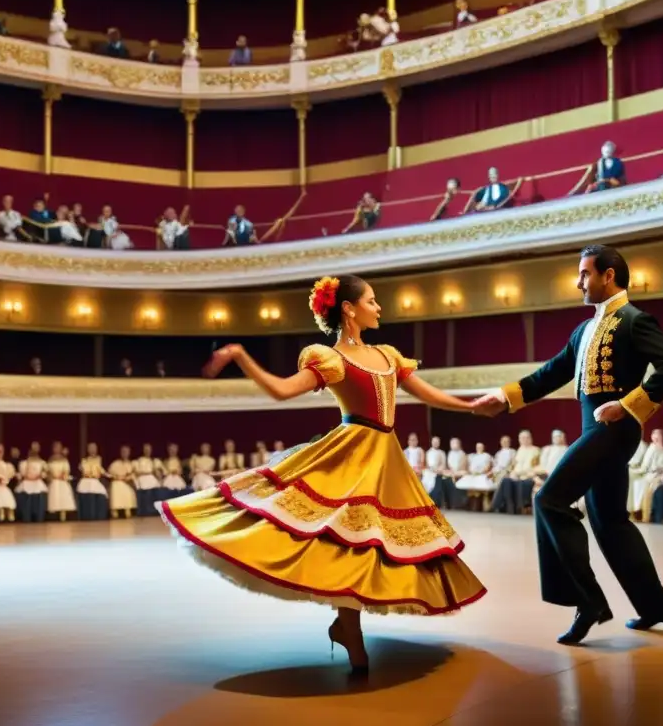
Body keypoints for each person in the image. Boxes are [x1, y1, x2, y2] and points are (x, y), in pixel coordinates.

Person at [158, 275, 487, 674]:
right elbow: (282, 390)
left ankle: (348, 630)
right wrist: (242, 356)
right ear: (348, 309)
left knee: (370, 542)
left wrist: (471, 407)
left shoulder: (388, 354)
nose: (378, 307)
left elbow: (429, 394)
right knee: (345, 538)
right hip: (350, 453)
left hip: (386, 457)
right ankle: (352, 634)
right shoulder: (330, 358)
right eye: (371, 300)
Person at [473, 245, 663, 643]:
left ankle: (587, 601)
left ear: (608, 275)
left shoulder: (635, 321)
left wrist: (626, 405)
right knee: (611, 524)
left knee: (548, 500)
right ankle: (659, 607)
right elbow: (552, 373)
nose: (578, 281)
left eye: (585, 273)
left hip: (613, 432)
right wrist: (505, 398)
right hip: (595, 432)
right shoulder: (584, 330)